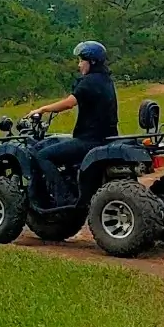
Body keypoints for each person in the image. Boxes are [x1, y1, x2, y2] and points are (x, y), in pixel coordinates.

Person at [27, 41, 118, 206]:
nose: (79, 65)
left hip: (89, 140)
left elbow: (69, 103)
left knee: (43, 155)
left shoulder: (90, 82)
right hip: (107, 137)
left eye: (81, 61)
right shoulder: (106, 80)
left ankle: (63, 197)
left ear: (91, 61)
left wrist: (42, 109)